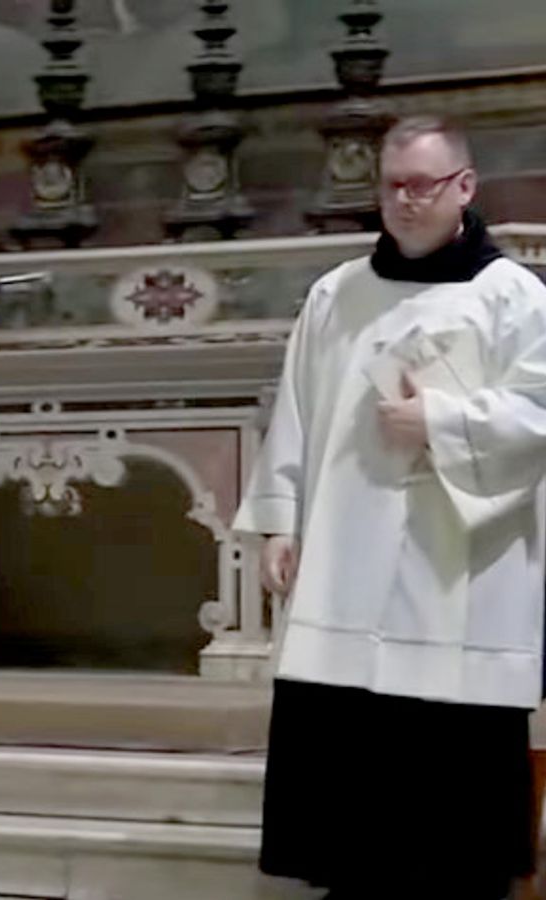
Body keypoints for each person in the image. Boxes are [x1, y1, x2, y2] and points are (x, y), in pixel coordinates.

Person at [234, 115, 546, 899]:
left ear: (465, 187)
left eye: (423, 185)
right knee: (349, 789)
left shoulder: (512, 297)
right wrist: (281, 520)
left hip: (460, 570)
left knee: (452, 813)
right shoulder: (337, 294)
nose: (406, 201)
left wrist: (441, 421)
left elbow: (540, 413)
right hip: (345, 557)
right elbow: (297, 410)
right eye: (393, 185)